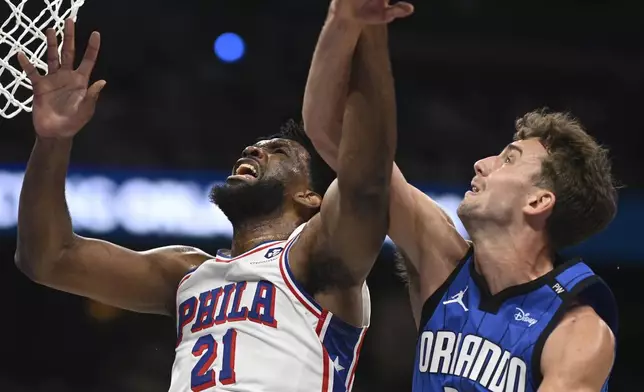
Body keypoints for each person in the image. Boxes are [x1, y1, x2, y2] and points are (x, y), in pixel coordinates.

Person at [14, 4, 403, 390]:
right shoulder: (185, 272)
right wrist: (53, 140)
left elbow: (367, 182)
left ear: (311, 197)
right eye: (253, 146)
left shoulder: (315, 257)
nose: (253, 151)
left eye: (277, 152)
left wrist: (368, 29)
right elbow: (48, 258)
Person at [302, 6, 619, 392]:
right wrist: (346, 20)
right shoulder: (441, 258)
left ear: (538, 201)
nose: (482, 163)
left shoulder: (579, 333)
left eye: (509, 160)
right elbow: (330, 132)